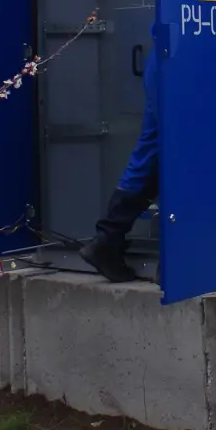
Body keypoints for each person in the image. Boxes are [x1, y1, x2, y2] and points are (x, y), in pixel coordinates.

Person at [82, 47, 161, 283]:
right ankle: (175, 260)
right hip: (179, 55)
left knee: (152, 150)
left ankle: (107, 240)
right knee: (180, 148)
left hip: (166, 55)